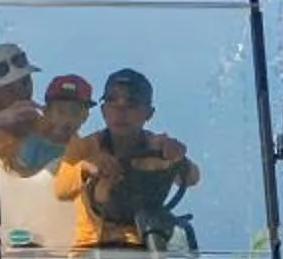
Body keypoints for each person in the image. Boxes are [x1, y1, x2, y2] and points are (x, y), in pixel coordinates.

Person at [54, 67, 199, 248]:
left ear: (149, 113)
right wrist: (86, 168)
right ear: (104, 111)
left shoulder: (157, 148)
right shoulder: (85, 148)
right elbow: (61, 190)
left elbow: (192, 178)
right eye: (113, 101)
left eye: (131, 102)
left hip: (145, 248)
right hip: (91, 251)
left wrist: (178, 157)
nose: (120, 110)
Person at [4, 72, 93, 176]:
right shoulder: (30, 143)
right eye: (61, 111)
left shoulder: (83, 154)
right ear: (46, 111)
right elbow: (17, 176)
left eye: (75, 112)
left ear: (85, 116)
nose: (67, 119)